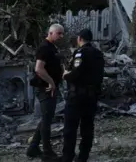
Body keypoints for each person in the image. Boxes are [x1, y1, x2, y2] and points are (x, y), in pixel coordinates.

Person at [61, 29, 105, 162]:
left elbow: (76, 73)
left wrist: (65, 75)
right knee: (87, 127)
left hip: (77, 96)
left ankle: (67, 156)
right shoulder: (98, 54)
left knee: (70, 127)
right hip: (92, 97)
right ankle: (83, 156)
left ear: (79, 39)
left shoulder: (80, 53)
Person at [27, 24, 65, 160]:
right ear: (50, 32)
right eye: (59, 33)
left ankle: (33, 148)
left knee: (46, 118)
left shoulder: (52, 48)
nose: (61, 36)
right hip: (45, 88)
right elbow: (39, 69)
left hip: (50, 88)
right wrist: (51, 82)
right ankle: (47, 153)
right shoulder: (44, 48)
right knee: (47, 120)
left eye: (62, 34)